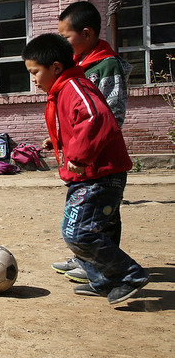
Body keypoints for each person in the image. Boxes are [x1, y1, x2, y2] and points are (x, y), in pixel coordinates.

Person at [23, 33, 149, 305]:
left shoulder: (75, 86)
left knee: (77, 232)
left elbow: (97, 117)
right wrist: (59, 141)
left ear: (56, 67)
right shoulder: (64, 89)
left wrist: (78, 156)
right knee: (86, 231)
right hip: (93, 175)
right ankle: (102, 279)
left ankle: (129, 275)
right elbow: (80, 123)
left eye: (35, 72)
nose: (33, 79)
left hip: (99, 175)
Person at [54, 0, 132, 283]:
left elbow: (112, 112)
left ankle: (106, 271)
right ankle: (85, 261)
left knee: (104, 215)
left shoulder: (106, 64)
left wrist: (91, 146)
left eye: (66, 37)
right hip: (81, 155)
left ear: (86, 34)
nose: (63, 42)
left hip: (101, 157)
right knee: (85, 214)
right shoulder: (78, 65)